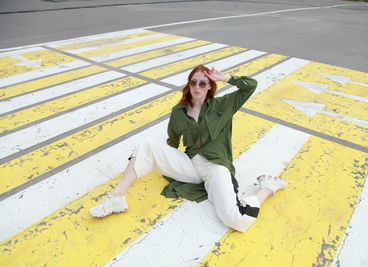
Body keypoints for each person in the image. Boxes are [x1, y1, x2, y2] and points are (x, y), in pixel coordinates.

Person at [89, 65, 287, 232]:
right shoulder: (179, 111)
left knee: (236, 220)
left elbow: (251, 86)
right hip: (191, 165)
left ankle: (267, 187)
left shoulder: (223, 105)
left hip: (216, 167)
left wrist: (225, 77)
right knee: (146, 145)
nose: (197, 86)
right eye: (193, 82)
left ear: (210, 86)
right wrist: (154, 160)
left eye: (202, 83)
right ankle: (117, 197)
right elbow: (172, 142)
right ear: (189, 85)